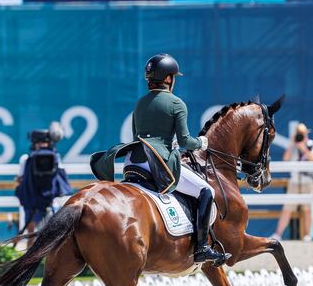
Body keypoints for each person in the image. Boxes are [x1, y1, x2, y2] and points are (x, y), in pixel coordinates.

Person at [92, 54, 229, 265]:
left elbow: (136, 136)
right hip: (160, 163)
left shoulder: (139, 104)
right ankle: (201, 247)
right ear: (167, 79)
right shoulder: (176, 103)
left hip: (133, 162)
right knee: (206, 191)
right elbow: (184, 141)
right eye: (173, 77)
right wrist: (201, 143)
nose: (174, 80)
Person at [15, 124, 73, 245]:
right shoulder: (26, 159)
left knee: (53, 233)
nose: (42, 145)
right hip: (32, 200)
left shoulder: (55, 158)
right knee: (31, 232)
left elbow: (60, 179)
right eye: (40, 142)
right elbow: (21, 180)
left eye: (44, 142)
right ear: (34, 143)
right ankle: (31, 259)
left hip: (50, 200)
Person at [271, 123, 313, 241]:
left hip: (308, 180)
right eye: (299, 133)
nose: (301, 136)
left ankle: (307, 235)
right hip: (294, 180)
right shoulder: (293, 147)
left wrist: (303, 147)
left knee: (307, 209)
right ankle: (278, 234)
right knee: (287, 208)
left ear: (306, 134)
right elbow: (286, 158)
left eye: (302, 133)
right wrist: (292, 144)